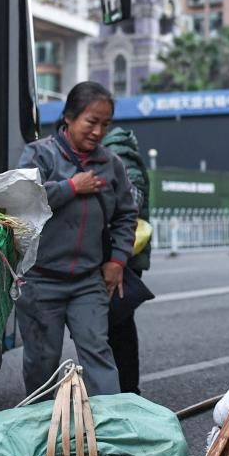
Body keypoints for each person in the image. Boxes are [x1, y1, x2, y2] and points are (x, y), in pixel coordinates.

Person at [15, 81, 137, 398]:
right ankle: (40, 433)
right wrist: (71, 187)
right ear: (68, 117)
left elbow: (126, 214)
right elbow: (24, 202)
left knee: (99, 357)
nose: (98, 131)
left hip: (88, 281)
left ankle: (110, 434)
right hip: (40, 281)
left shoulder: (111, 164)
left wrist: (117, 261)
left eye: (105, 124)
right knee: (41, 364)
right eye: (91, 122)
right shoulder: (38, 154)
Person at [102, 125, 152, 394]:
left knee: (118, 326)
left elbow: (128, 206)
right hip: (123, 254)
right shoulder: (122, 154)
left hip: (123, 258)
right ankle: (122, 389)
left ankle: (127, 390)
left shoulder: (121, 159)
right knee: (117, 325)